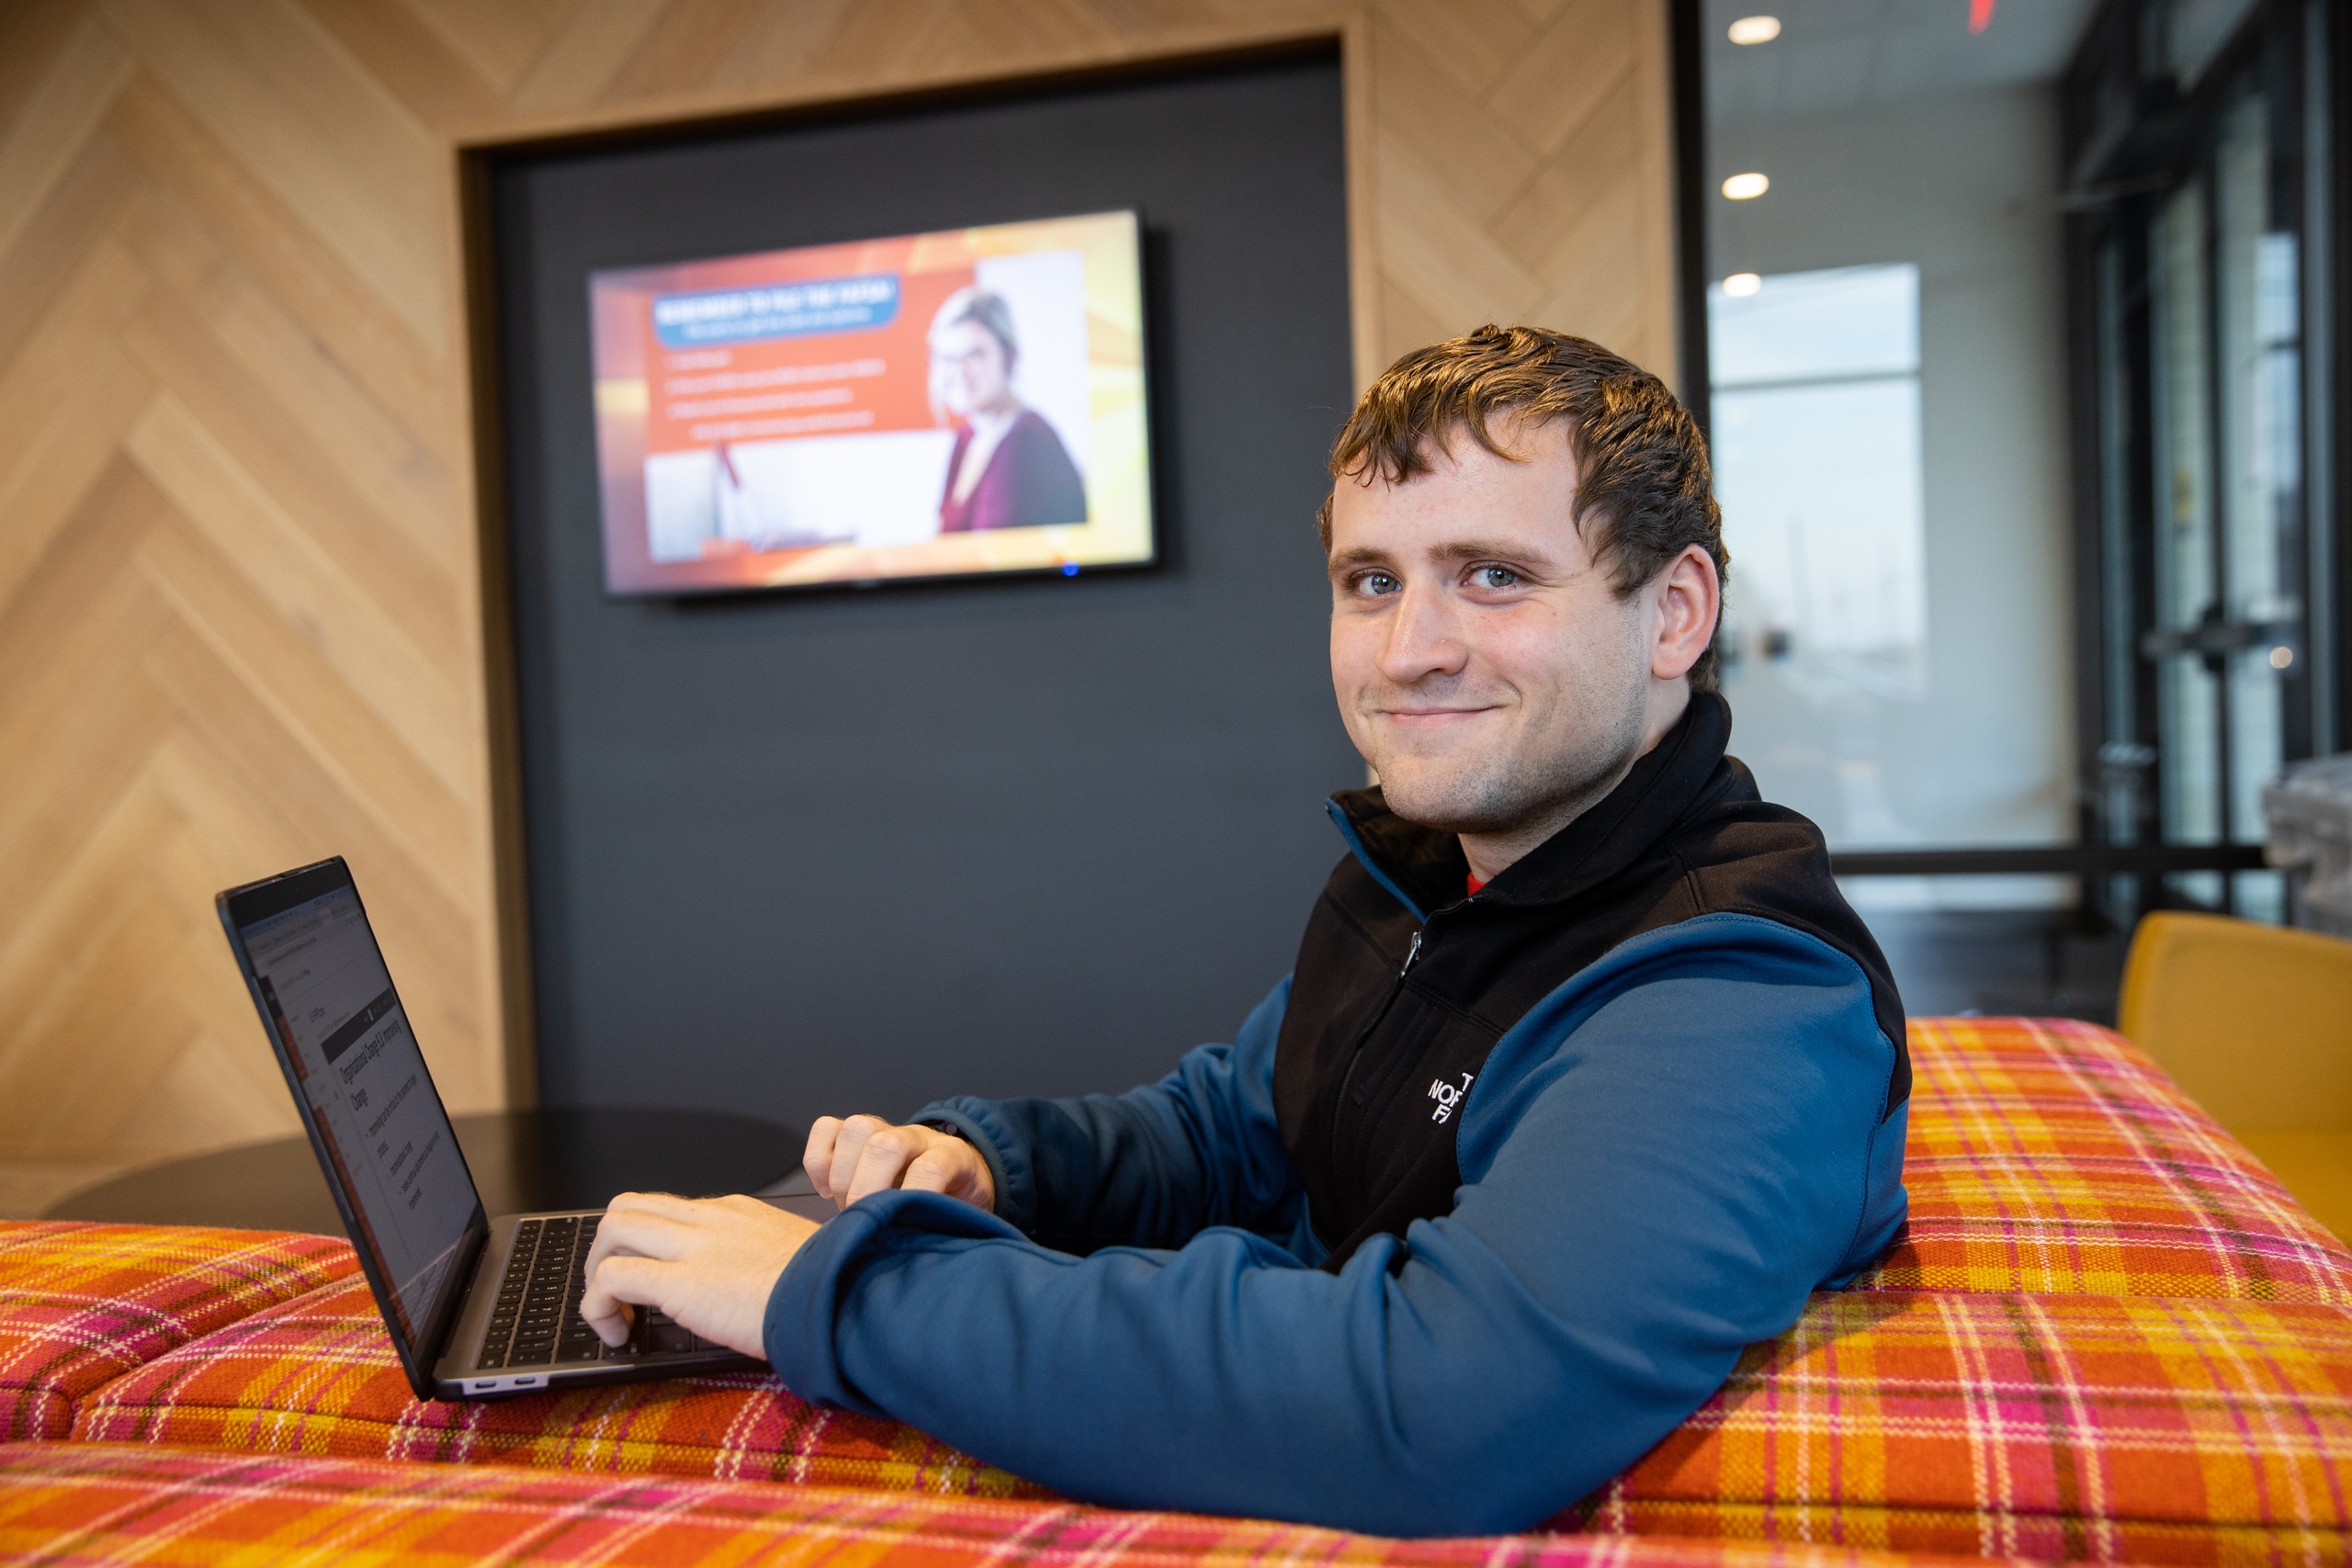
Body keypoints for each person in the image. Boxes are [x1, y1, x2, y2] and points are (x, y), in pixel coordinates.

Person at [580, 326, 1909, 1538]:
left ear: (1675, 611)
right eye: (1370, 580)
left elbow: (1430, 1403)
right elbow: (1232, 1126)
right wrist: (989, 1163)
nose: (1408, 650)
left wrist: (844, 1287)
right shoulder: (1434, 869)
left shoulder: (1735, 990)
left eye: (1493, 576)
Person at [927, 287, 1087, 532]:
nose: (959, 372)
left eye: (975, 355)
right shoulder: (967, 436)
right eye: (948, 358)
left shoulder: (1027, 441)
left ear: (1010, 357)